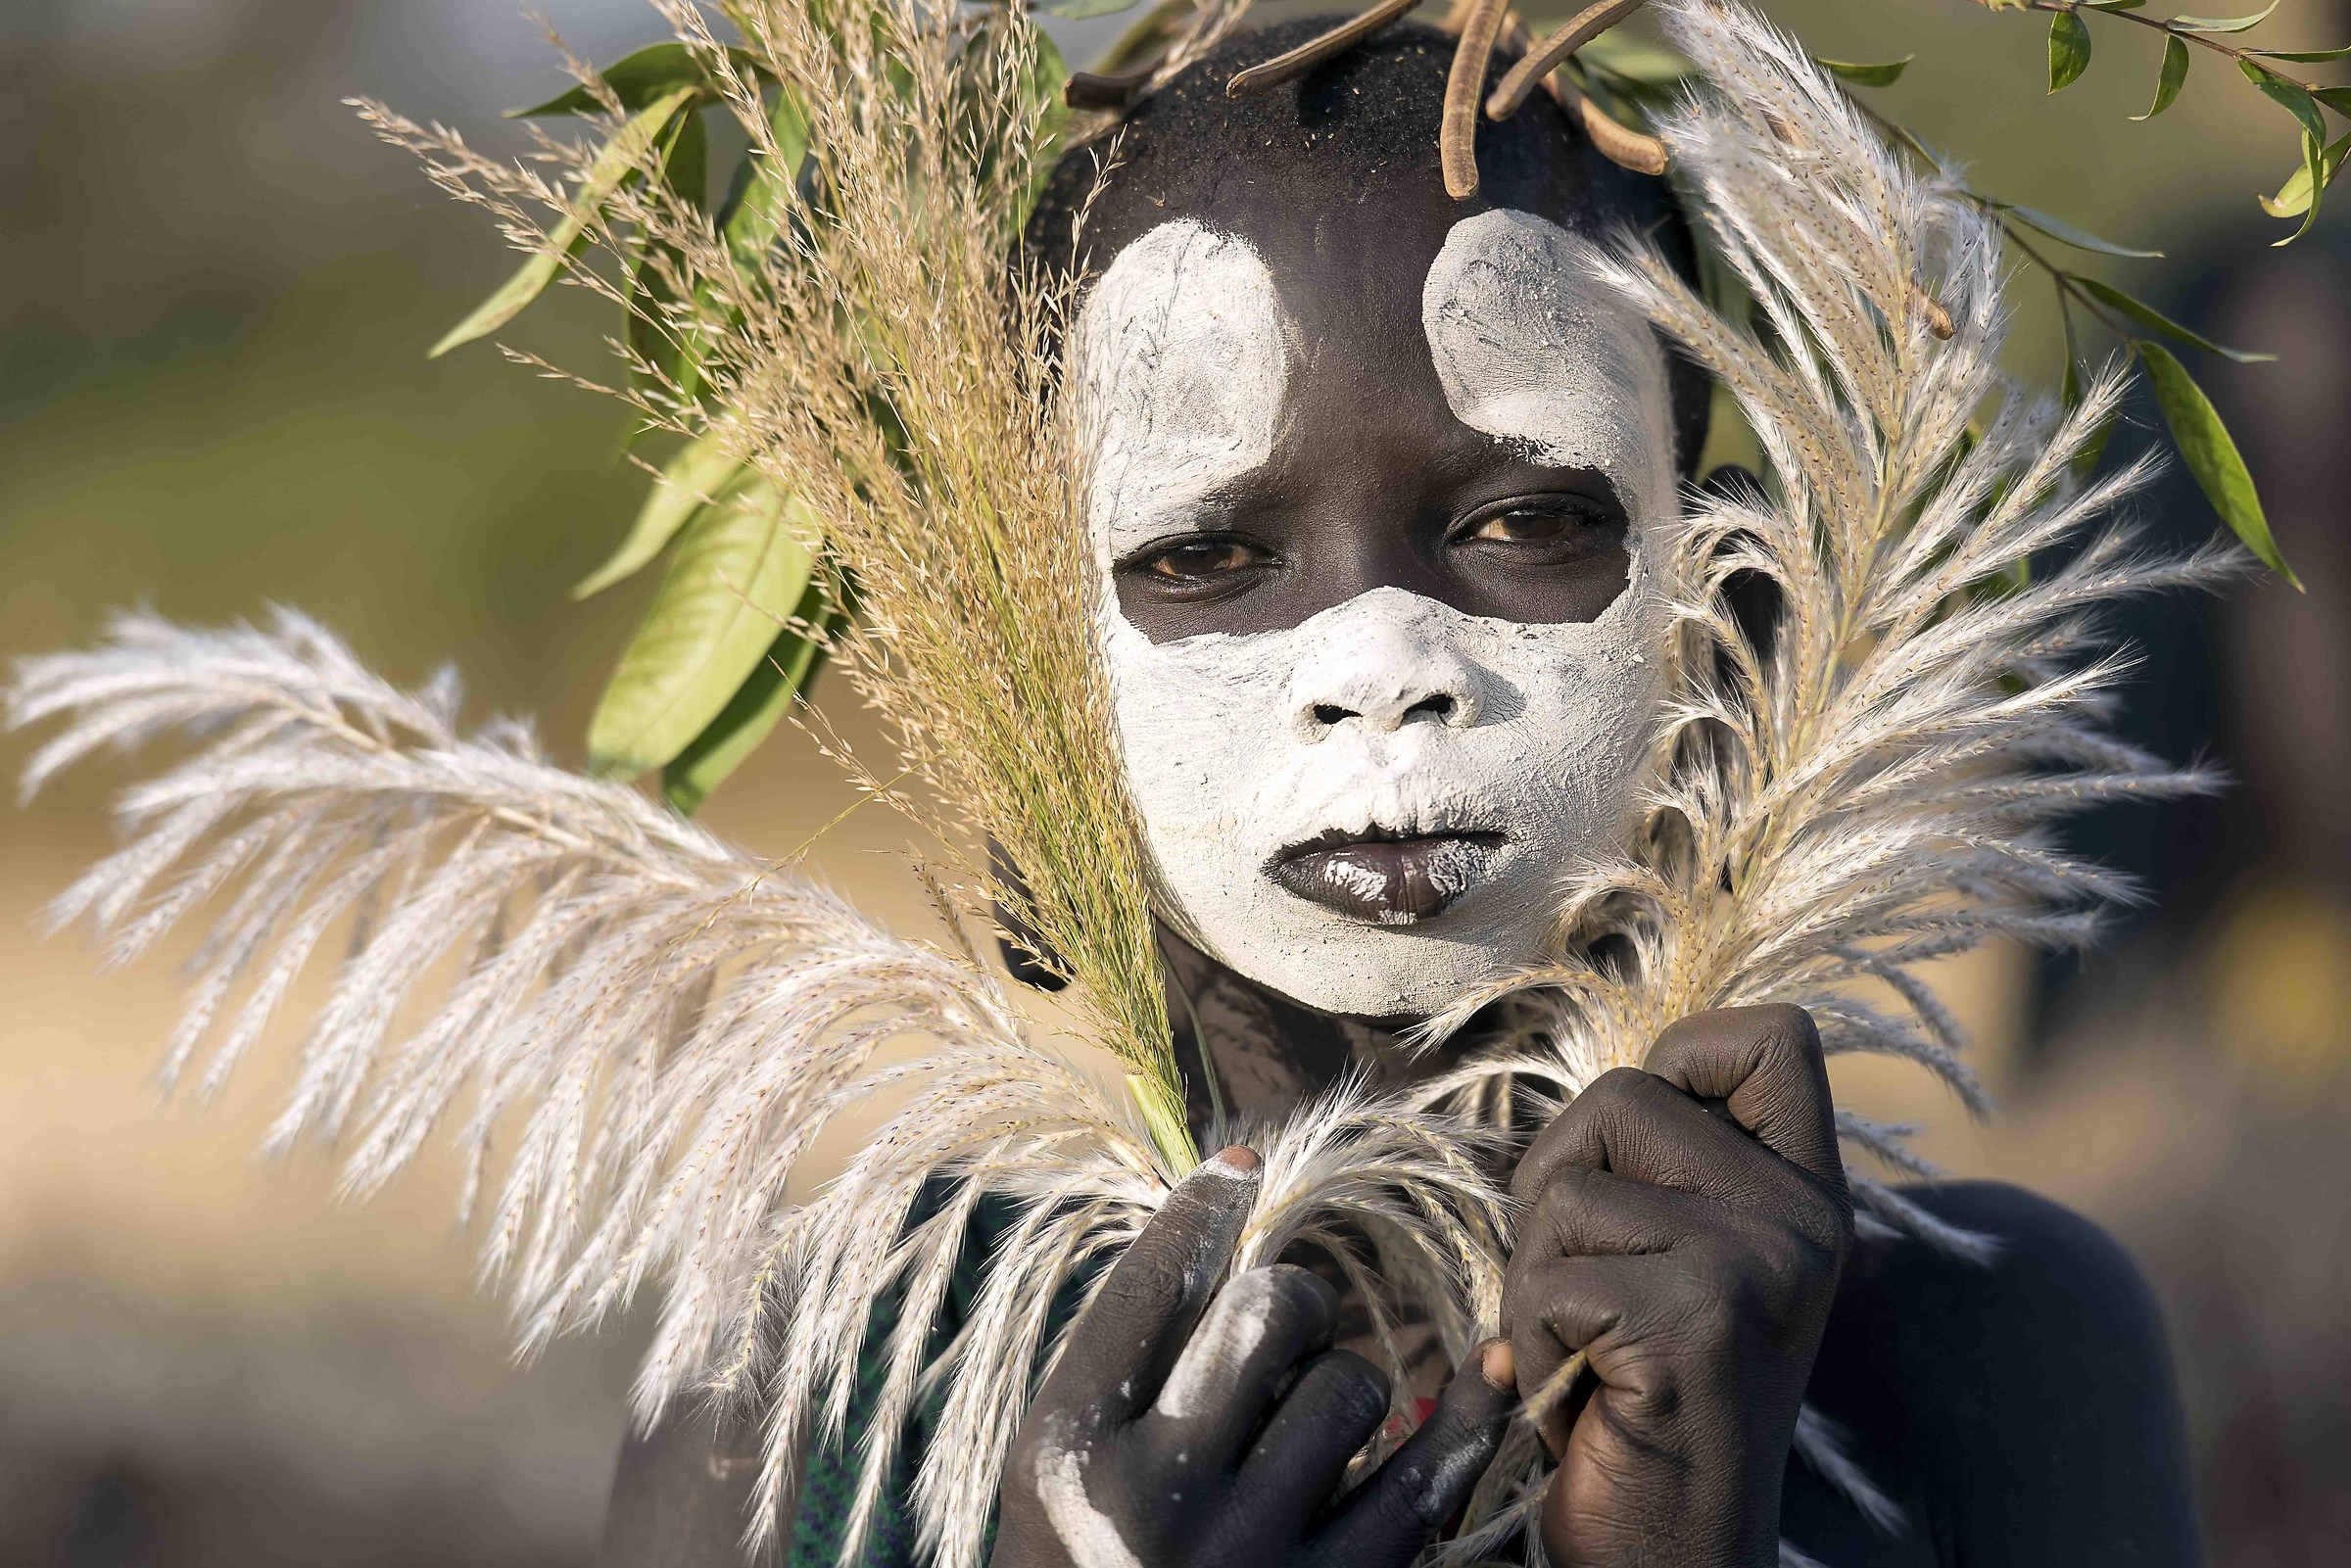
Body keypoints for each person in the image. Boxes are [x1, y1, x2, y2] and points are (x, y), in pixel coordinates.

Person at [599, 21, 2198, 1567]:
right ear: (1029, 716)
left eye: (1522, 518)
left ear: (1737, 652)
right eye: (1203, 556)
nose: (1380, 661)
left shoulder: (1975, 1361)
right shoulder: (832, 1389)